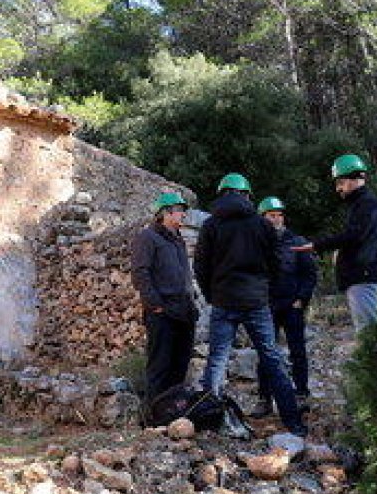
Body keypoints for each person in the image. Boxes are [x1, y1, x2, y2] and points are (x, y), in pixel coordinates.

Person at [194, 173, 307, 436]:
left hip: (223, 300)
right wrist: (266, 291)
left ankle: (210, 423)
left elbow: (200, 266)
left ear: (222, 194)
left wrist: (212, 295)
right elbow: (276, 263)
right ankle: (293, 422)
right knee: (272, 358)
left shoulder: (211, 225)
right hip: (256, 300)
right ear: (246, 195)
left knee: (217, 360)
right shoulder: (261, 224)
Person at [292, 154, 377, 333]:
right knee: (371, 331)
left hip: (363, 277)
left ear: (355, 179)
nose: (338, 189)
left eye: (340, 182)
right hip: (364, 276)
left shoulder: (366, 204)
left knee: (369, 334)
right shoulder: (363, 204)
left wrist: (317, 245)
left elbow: (353, 236)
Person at [130, 191, 198, 404]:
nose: (183, 215)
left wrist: (191, 302)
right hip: (162, 313)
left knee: (180, 366)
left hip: (184, 311)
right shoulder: (147, 237)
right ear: (165, 213)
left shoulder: (178, 240)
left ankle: (173, 412)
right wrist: (155, 305)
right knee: (159, 367)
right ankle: (154, 413)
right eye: (179, 210)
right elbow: (140, 273)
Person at [256, 196, 318, 407]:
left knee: (297, 351)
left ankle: (301, 395)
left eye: (279, 215)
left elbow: (309, 274)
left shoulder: (297, 242)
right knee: (265, 354)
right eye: (271, 215)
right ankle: (264, 399)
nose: (276, 219)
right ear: (262, 218)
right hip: (266, 307)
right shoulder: (256, 245)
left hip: (292, 305)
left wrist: (301, 299)